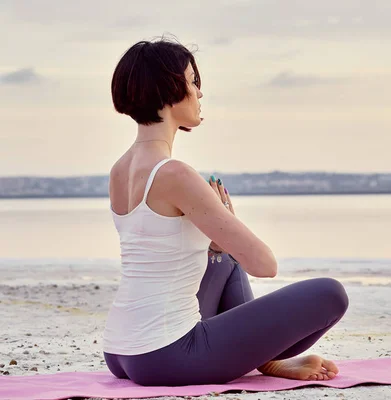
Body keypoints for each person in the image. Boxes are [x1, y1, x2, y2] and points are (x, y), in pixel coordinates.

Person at [102, 36, 349, 387]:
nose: (199, 93)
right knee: (330, 294)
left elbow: (160, 254)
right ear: (167, 91)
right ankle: (269, 359)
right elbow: (265, 266)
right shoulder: (174, 174)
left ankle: (268, 360)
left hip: (121, 351)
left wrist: (216, 242)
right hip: (165, 355)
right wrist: (228, 221)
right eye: (192, 81)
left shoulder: (120, 169)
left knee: (224, 260)